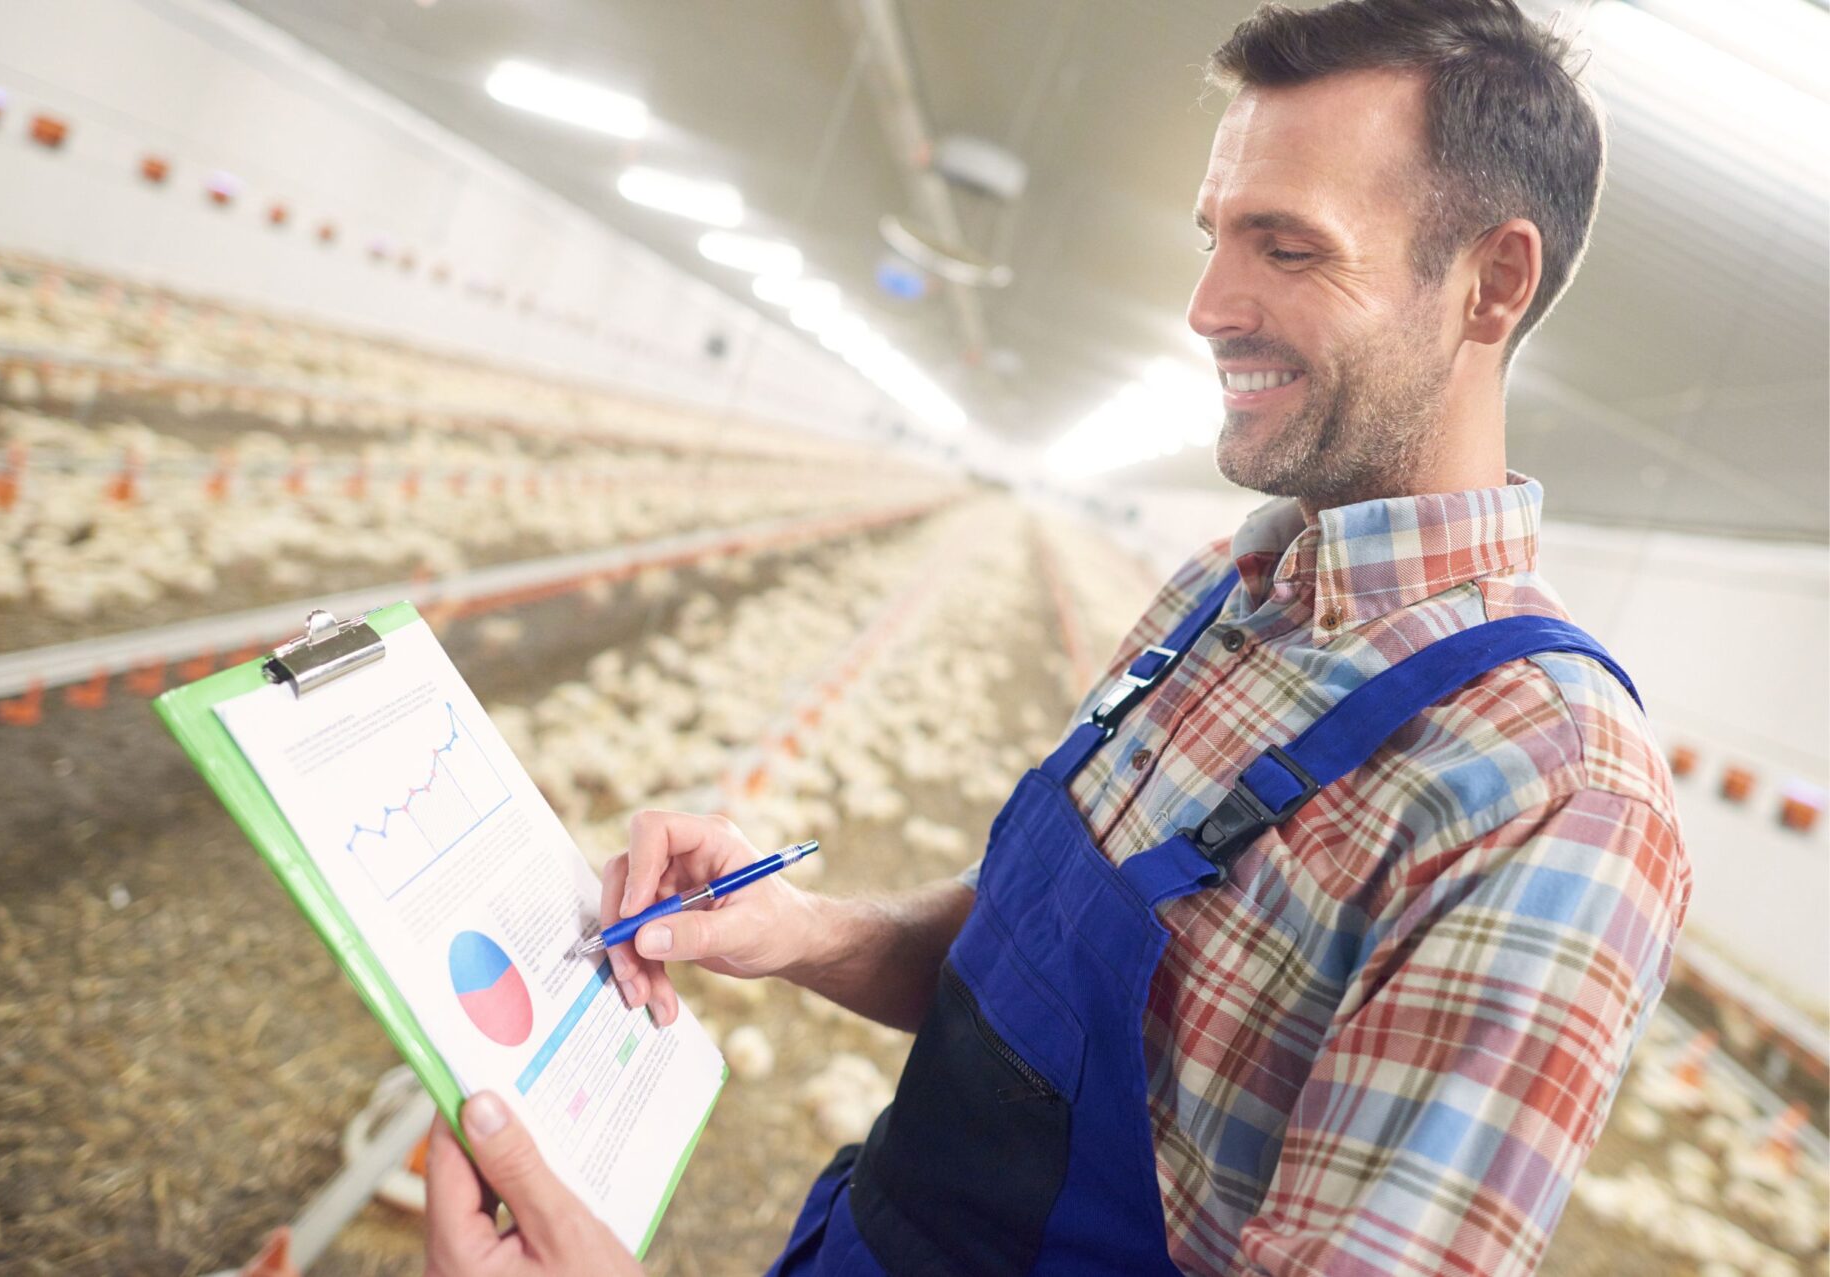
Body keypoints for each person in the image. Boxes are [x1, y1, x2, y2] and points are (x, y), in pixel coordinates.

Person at [423, 1, 1691, 1273]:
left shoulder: (1550, 791)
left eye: (1289, 249)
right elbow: (1041, 978)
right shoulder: (1224, 585)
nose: (1207, 305)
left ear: (1494, 281)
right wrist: (805, 931)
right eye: (1215, 237)